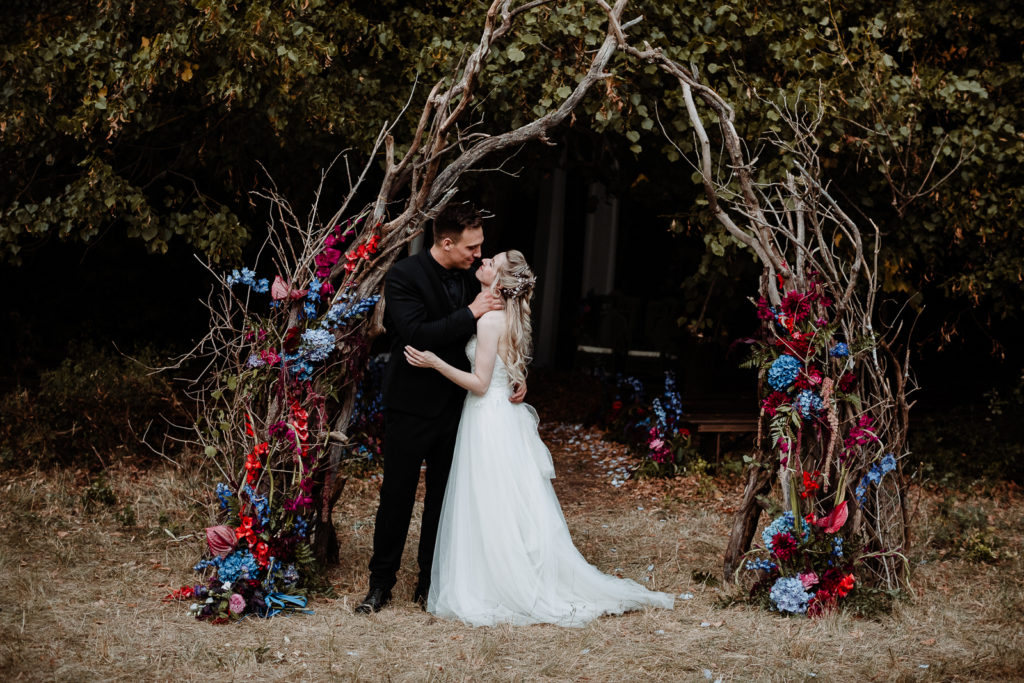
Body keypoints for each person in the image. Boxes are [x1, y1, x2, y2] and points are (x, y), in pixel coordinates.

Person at [404, 250, 675, 627]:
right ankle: (504, 571)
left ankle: (495, 581)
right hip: (505, 417)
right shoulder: (510, 317)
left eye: (491, 263)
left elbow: (480, 384)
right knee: (506, 502)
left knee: (487, 500)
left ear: (499, 281)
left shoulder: (490, 321)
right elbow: (508, 368)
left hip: (487, 416)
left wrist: (435, 362)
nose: (482, 262)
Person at [355, 203, 525, 614]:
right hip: (410, 405)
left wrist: (518, 374)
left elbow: (507, 333)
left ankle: (431, 583)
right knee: (396, 496)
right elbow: (415, 334)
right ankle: (380, 585)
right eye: (472, 247)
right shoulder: (403, 276)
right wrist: (470, 313)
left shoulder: (478, 277)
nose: (479, 255)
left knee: (444, 500)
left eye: (482, 246)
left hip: (460, 406)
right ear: (446, 242)